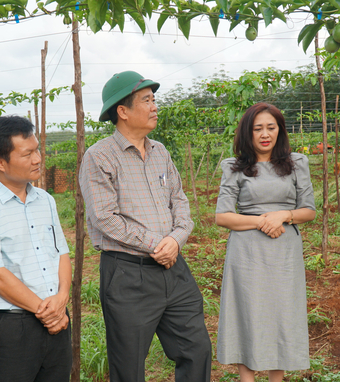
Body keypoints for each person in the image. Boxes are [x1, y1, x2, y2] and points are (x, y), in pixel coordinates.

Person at [79, 71, 212, 382]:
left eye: (154, 100)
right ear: (122, 112)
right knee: (128, 366)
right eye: (147, 100)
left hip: (174, 269)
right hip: (128, 276)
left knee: (196, 349)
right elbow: (104, 217)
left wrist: (175, 241)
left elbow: (180, 202)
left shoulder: (160, 152)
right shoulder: (99, 157)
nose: (155, 107)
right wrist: (157, 243)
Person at [0, 115, 72, 382]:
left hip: (58, 318)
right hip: (15, 326)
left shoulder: (45, 200)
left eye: (37, 150)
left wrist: (62, 299)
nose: (37, 159)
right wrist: (47, 313)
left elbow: (61, 253)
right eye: (27, 153)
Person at [215, 102, 316, 382]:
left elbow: (308, 210)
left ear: (279, 130)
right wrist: (263, 220)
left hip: (284, 251)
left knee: (280, 311)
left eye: (271, 127)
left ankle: (276, 378)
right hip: (246, 251)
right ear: (248, 133)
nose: (264, 134)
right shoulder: (234, 167)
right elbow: (222, 216)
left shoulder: (296, 163)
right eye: (257, 128)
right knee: (246, 309)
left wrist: (284, 214)